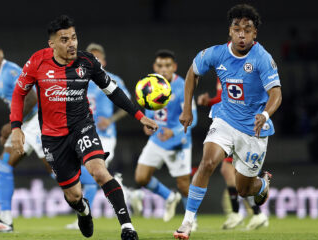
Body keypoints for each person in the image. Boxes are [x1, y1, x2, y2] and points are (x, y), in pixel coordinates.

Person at [9, 15, 157, 239]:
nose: (72, 44)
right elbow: (19, 93)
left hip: (82, 127)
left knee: (99, 171)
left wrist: (139, 116)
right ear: (52, 44)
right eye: (65, 39)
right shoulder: (37, 62)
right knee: (74, 195)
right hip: (52, 137)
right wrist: (16, 127)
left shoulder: (87, 62)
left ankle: (127, 227)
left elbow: (113, 91)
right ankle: (83, 210)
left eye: (74, 38)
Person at [174, 4, 282, 238]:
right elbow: (193, 72)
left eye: (247, 30)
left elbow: (276, 94)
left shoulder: (262, 58)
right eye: (237, 28)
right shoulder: (216, 53)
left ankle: (262, 185)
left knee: (244, 190)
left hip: (253, 129)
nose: (241, 34)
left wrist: (265, 114)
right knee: (207, 163)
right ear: (230, 31)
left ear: (255, 34)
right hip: (224, 119)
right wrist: (187, 108)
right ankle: (187, 223)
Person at [0, 41, 52, 233]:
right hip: (25, 125)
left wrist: (11, 125)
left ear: (0, 53)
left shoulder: (10, 71)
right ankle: (5, 220)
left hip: (38, 120)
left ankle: (109, 184)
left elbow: (32, 98)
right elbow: (16, 105)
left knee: (56, 170)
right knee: (3, 165)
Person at [65, 43, 133, 230]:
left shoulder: (112, 79)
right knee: (94, 175)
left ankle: (86, 214)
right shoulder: (80, 78)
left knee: (93, 175)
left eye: (97, 57)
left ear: (102, 60)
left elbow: (126, 103)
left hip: (105, 135)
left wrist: (110, 119)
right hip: (84, 133)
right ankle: (129, 193)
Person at [133, 50, 197, 226]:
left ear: (174, 67)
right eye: (160, 66)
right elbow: (149, 112)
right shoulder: (149, 85)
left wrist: (174, 131)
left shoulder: (183, 86)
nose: (163, 69)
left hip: (178, 143)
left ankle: (192, 220)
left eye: (167, 65)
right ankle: (169, 196)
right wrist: (147, 126)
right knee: (141, 178)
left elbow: (194, 118)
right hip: (157, 140)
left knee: (184, 186)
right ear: (155, 67)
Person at [198, 79, 269, 230]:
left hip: (240, 124)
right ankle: (253, 214)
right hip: (232, 122)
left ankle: (245, 213)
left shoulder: (232, 67)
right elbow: (224, 97)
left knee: (232, 172)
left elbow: (231, 98)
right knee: (232, 171)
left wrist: (209, 101)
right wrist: (210, 101)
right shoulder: (223, 68)